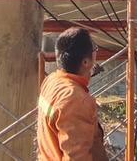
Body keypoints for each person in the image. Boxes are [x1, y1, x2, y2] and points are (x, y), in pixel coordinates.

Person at [37, 28, 108, 161]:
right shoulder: (75, 100)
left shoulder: (51, 81)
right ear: (85, 62)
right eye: (94, 50)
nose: (95, 54)